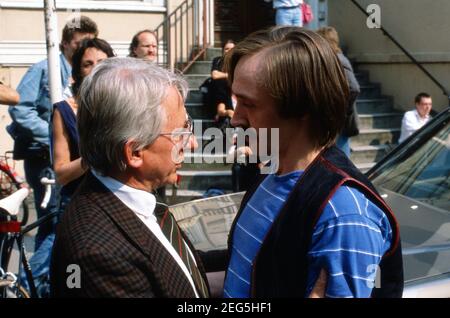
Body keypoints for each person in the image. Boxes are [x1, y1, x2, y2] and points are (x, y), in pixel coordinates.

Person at [222, 26, 404, 298]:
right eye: (236, 101)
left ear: (303, 107)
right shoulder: (272, 171)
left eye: (249, 104)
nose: (236, 118)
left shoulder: (343, 215)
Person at [50, 57, 210, 298]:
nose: (192, 143)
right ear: (135, 152)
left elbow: (179, 269)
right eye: (181, 132)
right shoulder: (98, 254)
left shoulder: (135, 202)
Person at [20, 38, 115, 298]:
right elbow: (60, 173)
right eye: (88, 63)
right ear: (77, 72)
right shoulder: (63, 111)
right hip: (78, 205)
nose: (95, 68)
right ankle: (26, 288)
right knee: (73, 280)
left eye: (102, 63)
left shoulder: (120, 107)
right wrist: (91, 157)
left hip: (117, 203)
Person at [6, 16, 98, 251]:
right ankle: (32, 285)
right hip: (44, 156)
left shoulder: (82, 74)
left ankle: (50, 283)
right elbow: (19, 108)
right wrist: (53, 136)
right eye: (79, 44)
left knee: (60, 227)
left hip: (71, 159)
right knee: (53, 225)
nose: (85, 49)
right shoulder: (45, 68)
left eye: (90, 43)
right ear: (65, 43)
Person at [317, 26, 360, 157]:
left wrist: (341, 112)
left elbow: (354, 88)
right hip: (333, 121)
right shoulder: (332, 59)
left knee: (339, 161)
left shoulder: (338, 59)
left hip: (339, 122)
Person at [210, 40, 235, 130]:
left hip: (230, 89)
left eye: (231, 49)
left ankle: (222, 112)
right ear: (223, 51)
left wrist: (223, 75)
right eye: (226, 49)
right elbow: (214, 75)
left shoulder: (237, 62)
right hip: (219, 89)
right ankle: (225, 112)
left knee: (223, 83)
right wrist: (228, 75)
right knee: (219, 82)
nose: (229, 51)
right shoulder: (218, 60)